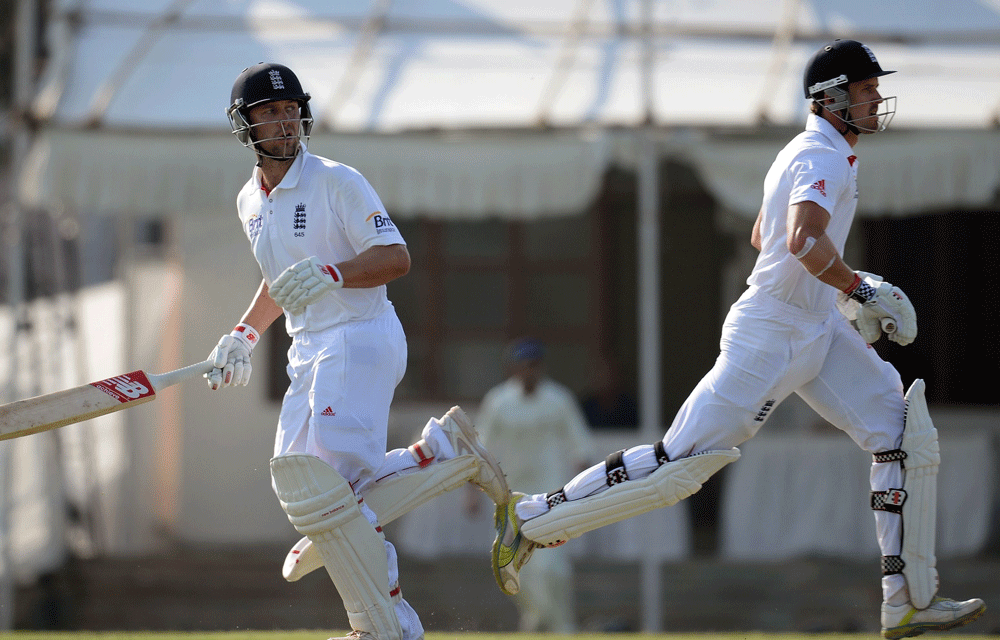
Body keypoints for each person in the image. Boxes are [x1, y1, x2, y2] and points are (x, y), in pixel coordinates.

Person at [491, 40, 985, 639]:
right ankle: (532, 517)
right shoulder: (821, 155)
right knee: (681, 465)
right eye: (865, 90)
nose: (876, 99)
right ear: (830, 100)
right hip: (772, 332)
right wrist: (858, 287)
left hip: (813, 326)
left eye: (875, 89)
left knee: (900, 434)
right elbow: (801, 241)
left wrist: (834, 296)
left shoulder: (814, 153)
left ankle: (905, 599)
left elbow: (763, 235)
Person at [209, 62, 512, 640]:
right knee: (302, 487)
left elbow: (394, 257)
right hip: (308, 350)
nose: (285, 121)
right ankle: (440, 453)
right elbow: (278, 280)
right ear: (244, 125)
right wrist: (244, 334)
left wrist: (333, 272)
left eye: (291, 108)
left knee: (332, 490)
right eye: (269, 112)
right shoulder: (250, 199)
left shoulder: (336, 180)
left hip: (358, 339)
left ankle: (384, 624)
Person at [474, 338, 595, 631]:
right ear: (513, 368)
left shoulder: (559, 398)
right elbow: (481, 448)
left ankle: (564, 628)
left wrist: (587, 490)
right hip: (512, 494)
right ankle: (536, 617)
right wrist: (471, 492)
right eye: (523, 365)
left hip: (551, 490)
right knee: (513, 565)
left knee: (553, 567)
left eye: (534, 365)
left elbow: (579, 446)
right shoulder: (499, 400)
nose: (529, 371)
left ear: (541, 367)